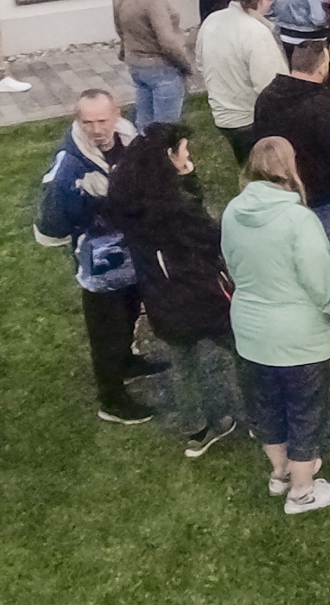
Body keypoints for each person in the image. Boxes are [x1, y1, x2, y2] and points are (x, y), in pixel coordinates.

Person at [222, 136, 330, 515]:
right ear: (290, 168)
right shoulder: (299, 220)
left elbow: (231, 264)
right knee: (305, 411)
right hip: (299, 336)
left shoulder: (232, 211)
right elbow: (320, 281)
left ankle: (280, 473)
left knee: (266, 406)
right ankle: (302, 491)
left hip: (250, 331)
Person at [107, 122, 242, 456]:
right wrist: (190, 181)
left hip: (160, 297)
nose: (188, 156)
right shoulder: (176, 207)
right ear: (169, 155)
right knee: (246, 350)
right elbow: (208, 238)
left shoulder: (130, 199)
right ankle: (261, 418)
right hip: (200, 294)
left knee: (184, 364)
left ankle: (196, 430)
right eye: (184, 150)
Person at [34, 89, 154, 423]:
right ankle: (111, 400)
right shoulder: (70, 164)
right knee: (106, 329)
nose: (97, 129)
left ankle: (127, 361)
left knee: (130, 309)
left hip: (131, 250)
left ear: (117, 115)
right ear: (77, 121)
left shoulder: (130, 140)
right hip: (99, 262)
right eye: (88, 122)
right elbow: (52, 219)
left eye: (102, 120)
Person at [250, 42, 330, 266]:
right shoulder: (321, 107)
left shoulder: (266, 98)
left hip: (282, 193)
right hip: (322, 198)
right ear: (322, 67)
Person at [196, 0, 285, 166]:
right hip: (249, 116)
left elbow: (200, 63)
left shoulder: (211, 20)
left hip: (222, 114)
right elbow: (269, 84)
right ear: (264, 0)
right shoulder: (256, 31)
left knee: (245, 166)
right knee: (264, 170)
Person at [112, 0, 194, 127]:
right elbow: (166, 40)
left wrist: (126, 49)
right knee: (165, 127)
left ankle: (140, 145)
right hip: (160, 66)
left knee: (144, 121)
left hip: (136, 62)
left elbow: (118, 24)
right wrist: (185, 65)